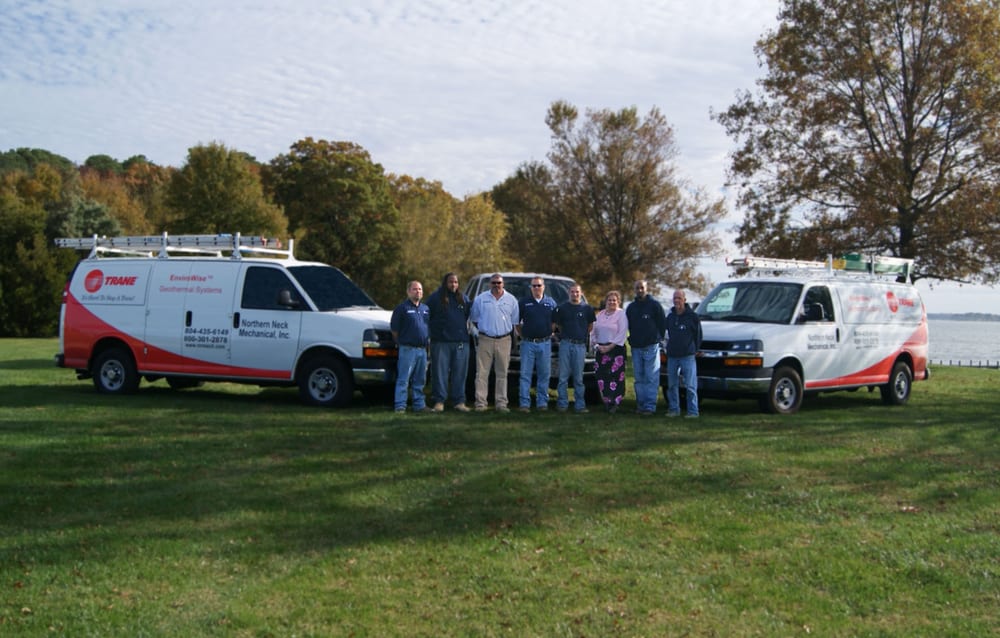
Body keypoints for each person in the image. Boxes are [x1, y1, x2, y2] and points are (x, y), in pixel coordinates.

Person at [469, 273, 520, 412]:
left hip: (504, 340)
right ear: (489, 284)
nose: (496, 285)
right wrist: (486, 330)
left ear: (503, 284)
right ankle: (480, 403)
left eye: (499, 283)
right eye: (493, 283)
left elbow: (515, 322)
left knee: (502, 373)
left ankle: (501, 404)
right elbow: (474, 319)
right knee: (481, 374)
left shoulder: (511, 300)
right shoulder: (480, 299)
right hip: (485, 339)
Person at [426, 272, 471, 412]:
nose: (454, 284)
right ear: (445, 283)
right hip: (440, 342)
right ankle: (439, 401)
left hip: (461, 342)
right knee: (440, 373)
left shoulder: (463, 299)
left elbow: (468, 316)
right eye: (451, 282)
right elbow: (426, 316)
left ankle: (459, 402)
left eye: (456, 282)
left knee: (460, 373)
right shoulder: (435, 298)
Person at [553, 283, 596, 413]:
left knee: (578, 378)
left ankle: (580, 405)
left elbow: (590, 327)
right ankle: (562, 404)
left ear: (581, 293)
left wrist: (579, 336)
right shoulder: (563, 308)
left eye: (577, 292)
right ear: (569, 293)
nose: (575, 294)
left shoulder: (587, 309)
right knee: (563, 377)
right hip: (566, 344)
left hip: (580, 346)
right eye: (572, 292)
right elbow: (559, 326)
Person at [516, 276, 557, 412]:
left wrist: (547, 332)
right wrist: (524, 335)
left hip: (545, 343)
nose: (536, 288)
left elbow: (554, 323)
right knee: (525, 374)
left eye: (539, 285)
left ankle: (542, 403)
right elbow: (517, 323)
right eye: (533, 286)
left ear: (543, 287)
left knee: (544, 374)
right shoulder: (524, 302)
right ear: (530, 288)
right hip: (528, 343)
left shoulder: (550, 302)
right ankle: (524, 403)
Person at [626, 279, 667, 416]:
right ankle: (640, 405)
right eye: (637, 288)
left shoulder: (654, 305)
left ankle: (650, 406)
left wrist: (657, 340)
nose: (640, 290)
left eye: (642, 287)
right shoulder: (631, 308)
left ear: (646, 288)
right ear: (635, 289)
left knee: (651, 378)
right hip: (636, 347)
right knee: (639, 378)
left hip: (651, 347)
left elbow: (662, 325)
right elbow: (629, 325)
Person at [390, 280, 431, 414]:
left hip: (422, 350)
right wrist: (400, 343)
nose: (417, 291)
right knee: (404, 379)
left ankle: (419, 405)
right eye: (414, 289)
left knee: (420, 380)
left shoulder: (425, 309)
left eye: (419, 289)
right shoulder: (402, 309)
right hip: (407, 349)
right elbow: (395, 330)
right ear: (408, 292)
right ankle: (400, 406)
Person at [665, 289, 702, 418]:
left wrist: (695, 349)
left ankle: (693, 411)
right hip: (672, 355)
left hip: (688, 355)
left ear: (684, 300)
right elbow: (666, 333)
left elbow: (698, 335)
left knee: (690, 385)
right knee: (672, 385)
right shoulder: (670, 316)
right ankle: (674, 409)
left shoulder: (692, 316)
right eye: (675, 298)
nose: (676, 301)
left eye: (679, 298)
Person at [591, 290, 628, 413]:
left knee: (616, 377)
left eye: (614, 300)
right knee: (602, 376)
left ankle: (615, 402)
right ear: (605, 301)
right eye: (609, 300)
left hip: (615, 350)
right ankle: (607, 400)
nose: (612, 302)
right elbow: (593, 332)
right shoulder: (599, 315)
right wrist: (597, 345)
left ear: (618, 302)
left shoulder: (621, 314)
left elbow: (622, 333)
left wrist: (610, 346)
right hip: (601, 350)